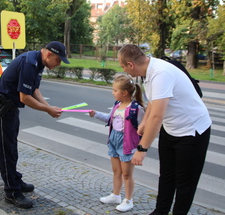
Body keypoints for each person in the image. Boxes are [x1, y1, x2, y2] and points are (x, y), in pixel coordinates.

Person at [118, 44, 211, 215]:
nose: (123, 69)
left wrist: (142, 148)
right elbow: (153, 103)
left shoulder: (161, 73)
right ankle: (160, 211)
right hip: (171, 129)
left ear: (130, 64)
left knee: (185, 183)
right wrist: (145, 122)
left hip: (192, 131)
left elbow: (157, 117)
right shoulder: (148, 72)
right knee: (167, 176)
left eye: (122, 66)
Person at [0, 41, 69, 209]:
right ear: (48, 54)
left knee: (12, 147)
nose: (58, 64)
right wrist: (47, 110)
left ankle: (15, 180)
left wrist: (48, 106)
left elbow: (35, 90)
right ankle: (11, 192)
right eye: (58, 59)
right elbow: (25, 97)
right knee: (6, 150)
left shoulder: (38, 63)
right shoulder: (29, 63)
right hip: (2, 108)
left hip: (10, 108)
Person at [89, 74, 145, 212]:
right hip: (114, 141)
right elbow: (109, 119)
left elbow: (144, 128)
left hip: (127, 144)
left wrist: (140, 148)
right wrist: (95, 114)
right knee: (116, 171)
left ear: (124, 92)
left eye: (115, 90)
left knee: (127, 174)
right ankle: (115, 195)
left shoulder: (136, 109)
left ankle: (128, 200)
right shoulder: (117, 105)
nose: (112, 92)